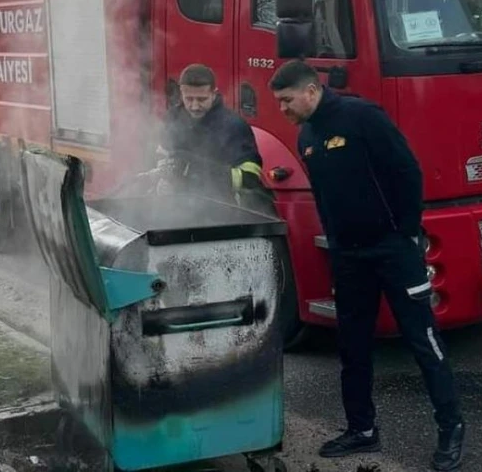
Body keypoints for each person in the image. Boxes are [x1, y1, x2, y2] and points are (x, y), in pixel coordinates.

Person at [268, 60, 465, 471]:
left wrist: (405, 234)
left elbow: (407, 172)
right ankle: (362, 430)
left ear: (310, 91)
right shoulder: (306, 136)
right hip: (349, 256)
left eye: (286, 100)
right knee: (352, 346)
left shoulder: (361, 117)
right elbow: (324, 196)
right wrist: (337, 245)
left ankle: (451, 429)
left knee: (422, 341)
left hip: (392, 250)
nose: (282, 110)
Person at [156, 64, 268, 207]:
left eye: (202, 99)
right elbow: (160, 156)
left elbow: (250, 178)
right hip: (176, 209)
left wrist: (198, 168)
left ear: (213, 94)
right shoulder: (172, 118)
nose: (195, 106)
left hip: (219, 211)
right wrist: (162, 180)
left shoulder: (234, 126)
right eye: (189, 99)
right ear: (181, 93)